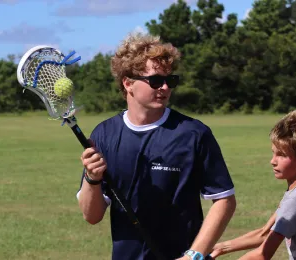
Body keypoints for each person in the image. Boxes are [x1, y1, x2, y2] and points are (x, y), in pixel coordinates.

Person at [76, 32, 237, 260]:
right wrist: (92, 179)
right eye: (155, 81)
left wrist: (194, 254)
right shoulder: (104, 135)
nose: (164, 87)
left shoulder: (193, 134)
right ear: (128, 83)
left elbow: (224, 200)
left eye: (170, 80)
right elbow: (91, 216)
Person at [209, 110, 296, 260]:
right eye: (273, 153)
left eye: (281, 155)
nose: (273, 161)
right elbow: (265, 233)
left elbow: (263, 254)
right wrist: (219, 248)